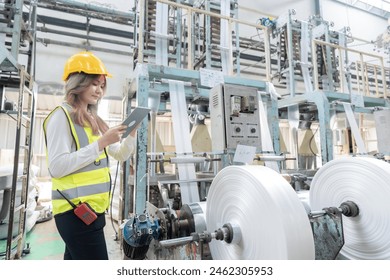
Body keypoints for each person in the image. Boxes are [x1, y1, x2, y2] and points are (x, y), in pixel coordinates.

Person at [43, 51, 136, 260]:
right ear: (78, 82)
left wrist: (131, 135)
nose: (99, 91)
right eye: (94, 84)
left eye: (102, 86)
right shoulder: (61, 116)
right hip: (73, 212)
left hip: (92, 212)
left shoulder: (93, 119)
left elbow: (119, 154)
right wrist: (101, 142)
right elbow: (56, 167)